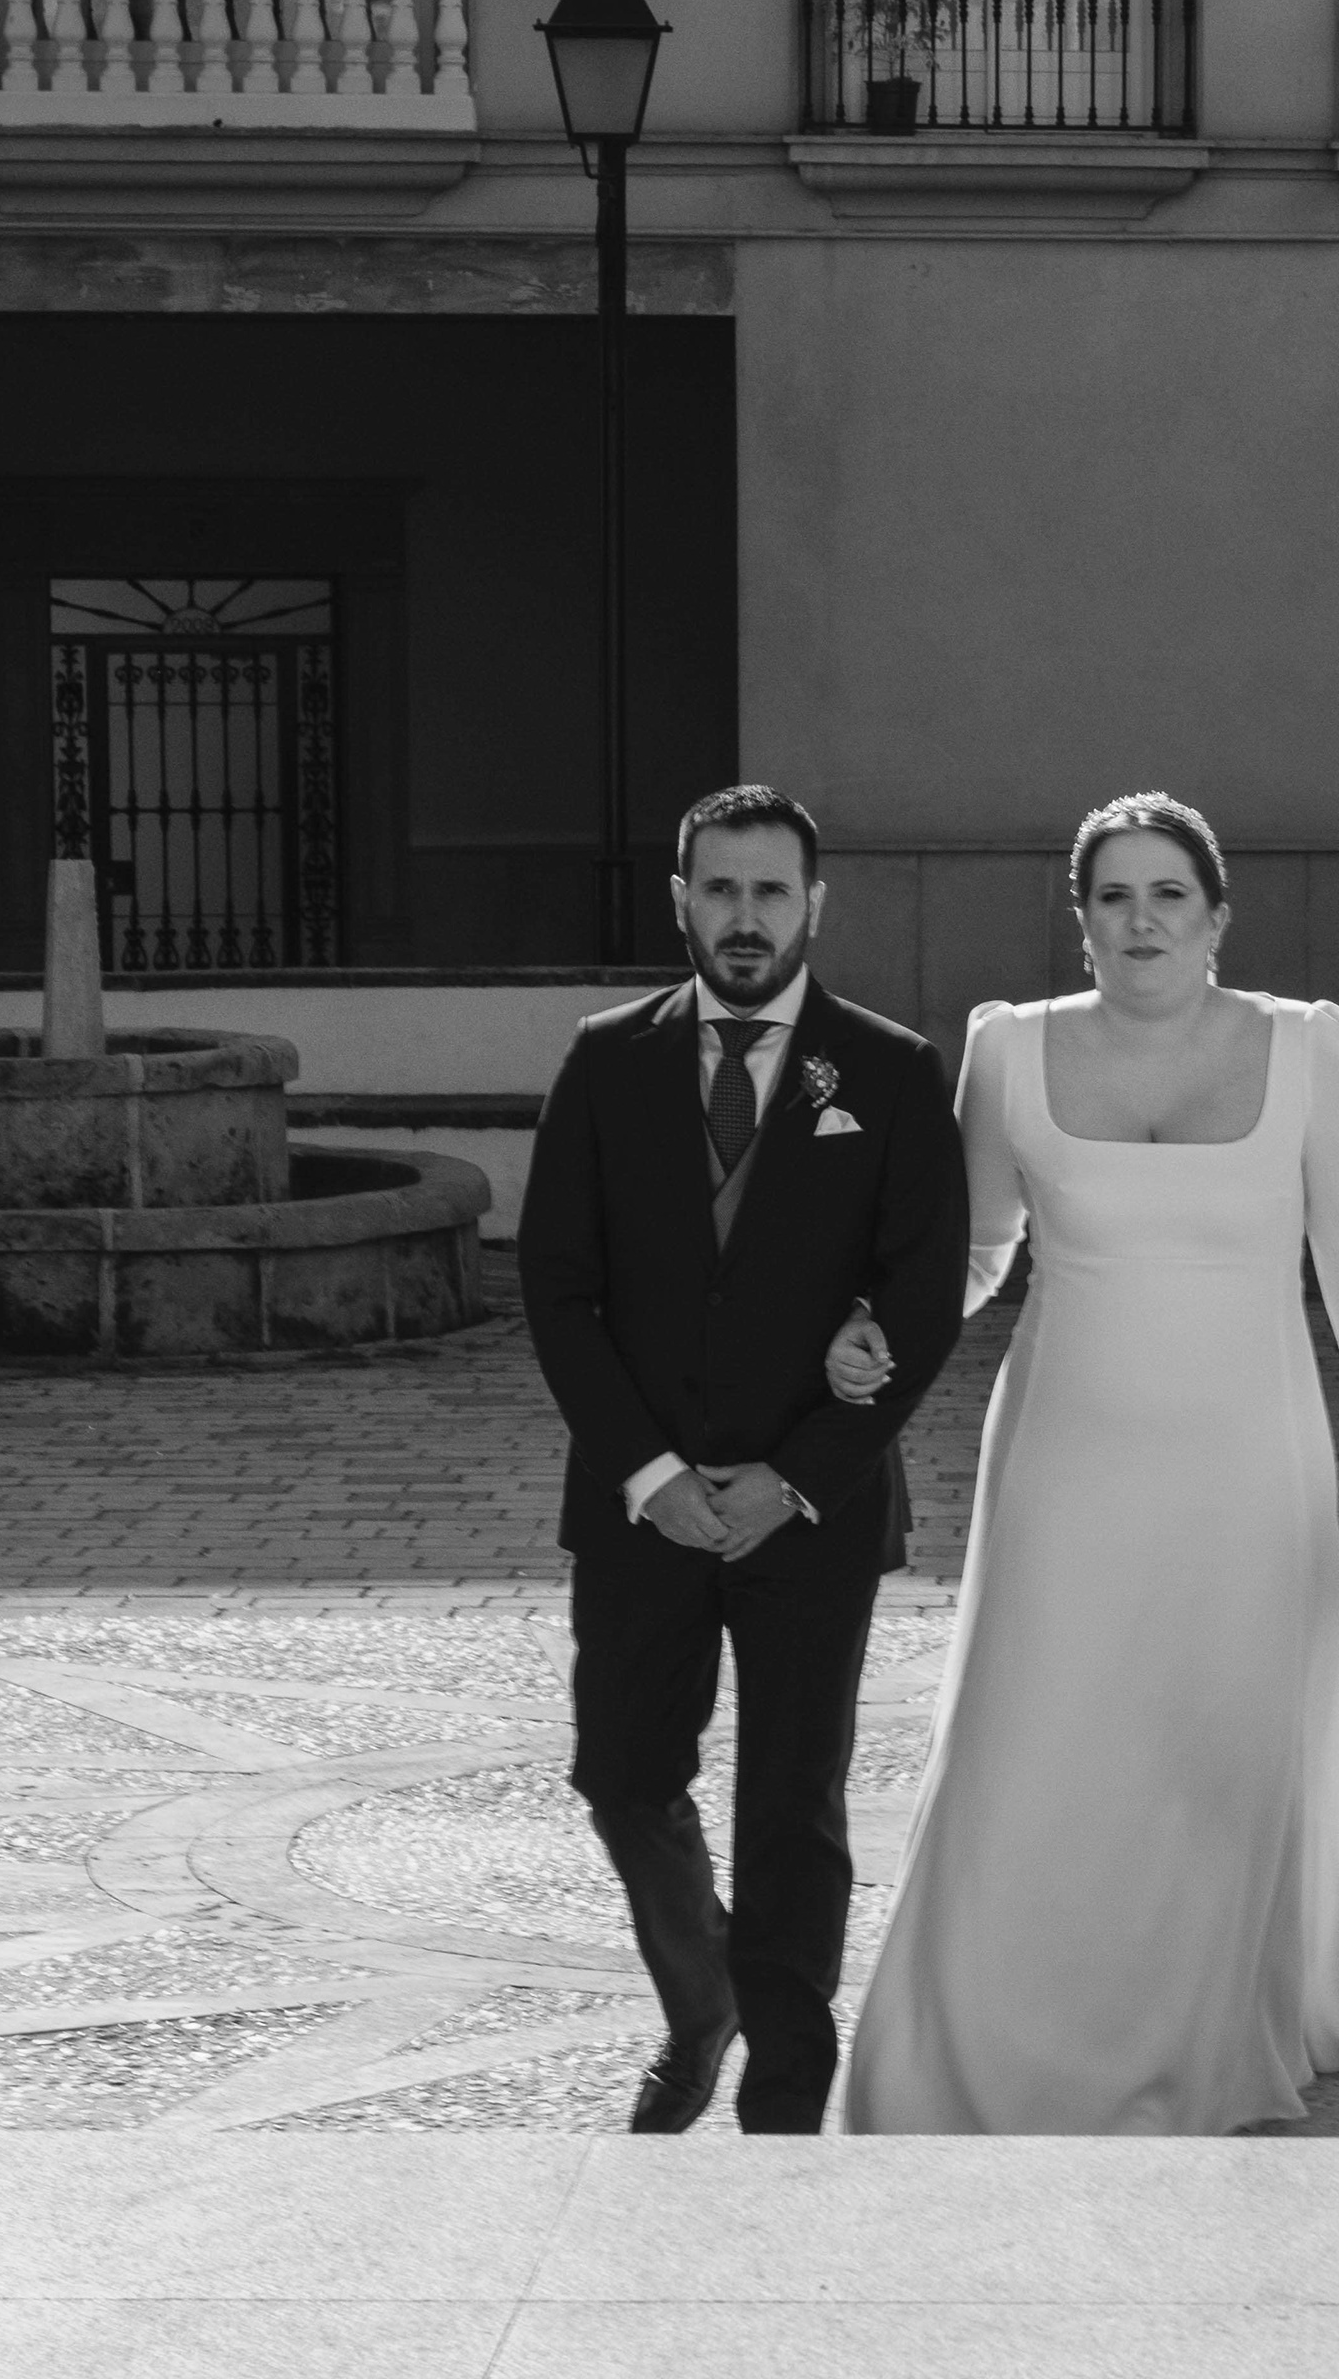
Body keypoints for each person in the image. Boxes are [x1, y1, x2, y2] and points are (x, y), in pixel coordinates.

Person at [834, 790, 1339, 2134]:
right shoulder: (1009, 1050)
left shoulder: (1308, 1047)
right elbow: (979, 1250)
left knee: (1223, 1739)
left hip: (1248, 1455)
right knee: (1046, 1729)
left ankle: (1203, 2028)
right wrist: (883, 1325)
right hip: (1066, 1456)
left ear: (1218, 914)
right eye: (1113, 895)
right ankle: (999, 2029)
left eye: (1170, 892)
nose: (1142, 919)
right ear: (1081, 920)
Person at [519, 783, 972, 2136]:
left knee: (792, 1808)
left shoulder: (890, 1071)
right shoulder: (607, 1060)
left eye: (771, 890)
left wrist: (800, 1473)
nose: (746, 917)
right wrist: (652, 1475)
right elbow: (557, 1289)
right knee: (621, 1774)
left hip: (811, 1512)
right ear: (681, 902)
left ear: (813, 904)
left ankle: (783, 2097)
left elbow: (924, 1298)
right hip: (641, 1505)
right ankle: (704, 1998)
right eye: (719, 889)